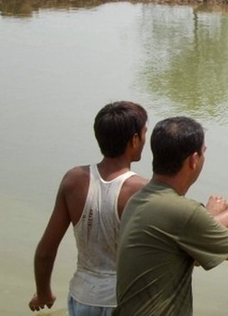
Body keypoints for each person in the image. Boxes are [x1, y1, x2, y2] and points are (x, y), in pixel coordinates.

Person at [114, 116, 228, 315]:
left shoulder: (140, 199)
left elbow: (197, 254)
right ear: (193, 160)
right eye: (202, 152)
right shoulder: (180, 210)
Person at [29, 101, 149, 315]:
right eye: (144, 133)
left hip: (82, 297)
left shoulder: (74, 179)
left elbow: (45, 252)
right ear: (134, 140)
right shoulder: (141, 190)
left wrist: (43, 293)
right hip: (125, 299)